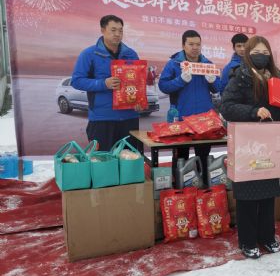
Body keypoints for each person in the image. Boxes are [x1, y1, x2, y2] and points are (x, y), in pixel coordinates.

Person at [220, 35, 280, 259]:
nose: (261, 56)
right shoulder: (240, 76)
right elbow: (226, 107)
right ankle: (247, 241)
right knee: (247, 196)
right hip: (249, 144)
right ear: (248, 54)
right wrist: (253, 111)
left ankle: (267, 236)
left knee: (268, 195)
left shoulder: (278, 77)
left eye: (265, 53)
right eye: (256, 52)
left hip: (272, 142)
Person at [158, 30, 223, 186]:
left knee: (204, 156)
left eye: (198, 44)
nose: (195, 47)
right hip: (182, 118)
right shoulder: (174, 64)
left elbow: (218, 88)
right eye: (191, 44)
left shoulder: (207, 64)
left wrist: (213, 81)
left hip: (205, 119)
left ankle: (205, 190)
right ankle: (180, 189)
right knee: (181, 157)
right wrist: (180, 80)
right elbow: (163, 86)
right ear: (183, 45)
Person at [72, 15, 142, 151]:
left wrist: (139, 100)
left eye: (120, 31)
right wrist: (104, 83)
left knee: (130, 159)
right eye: (113, 30)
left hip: (129, 118)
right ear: (103, 30)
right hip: (102, 118)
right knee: (103, 160)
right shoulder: (89, 54)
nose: (117, 34)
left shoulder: (131, 54)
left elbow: (138, 82)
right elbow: (77, 81)